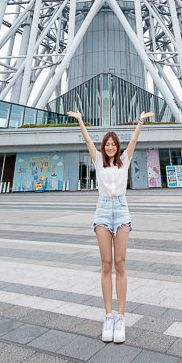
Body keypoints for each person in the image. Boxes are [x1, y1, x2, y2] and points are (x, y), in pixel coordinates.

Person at [67, 109, 154, 344]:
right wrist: (81, 121)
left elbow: (134, 141)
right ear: (104, 147)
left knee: (120, 264)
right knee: (106, 265)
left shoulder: (124, 160)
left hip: (122, 210)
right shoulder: (98, 160)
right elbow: (87, 140)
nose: (110, 147)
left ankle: (121, 317)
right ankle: (108, 316)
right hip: (103, 211)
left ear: (117, 146)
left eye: (113, 144)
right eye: (107, 144)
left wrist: (140, 122)